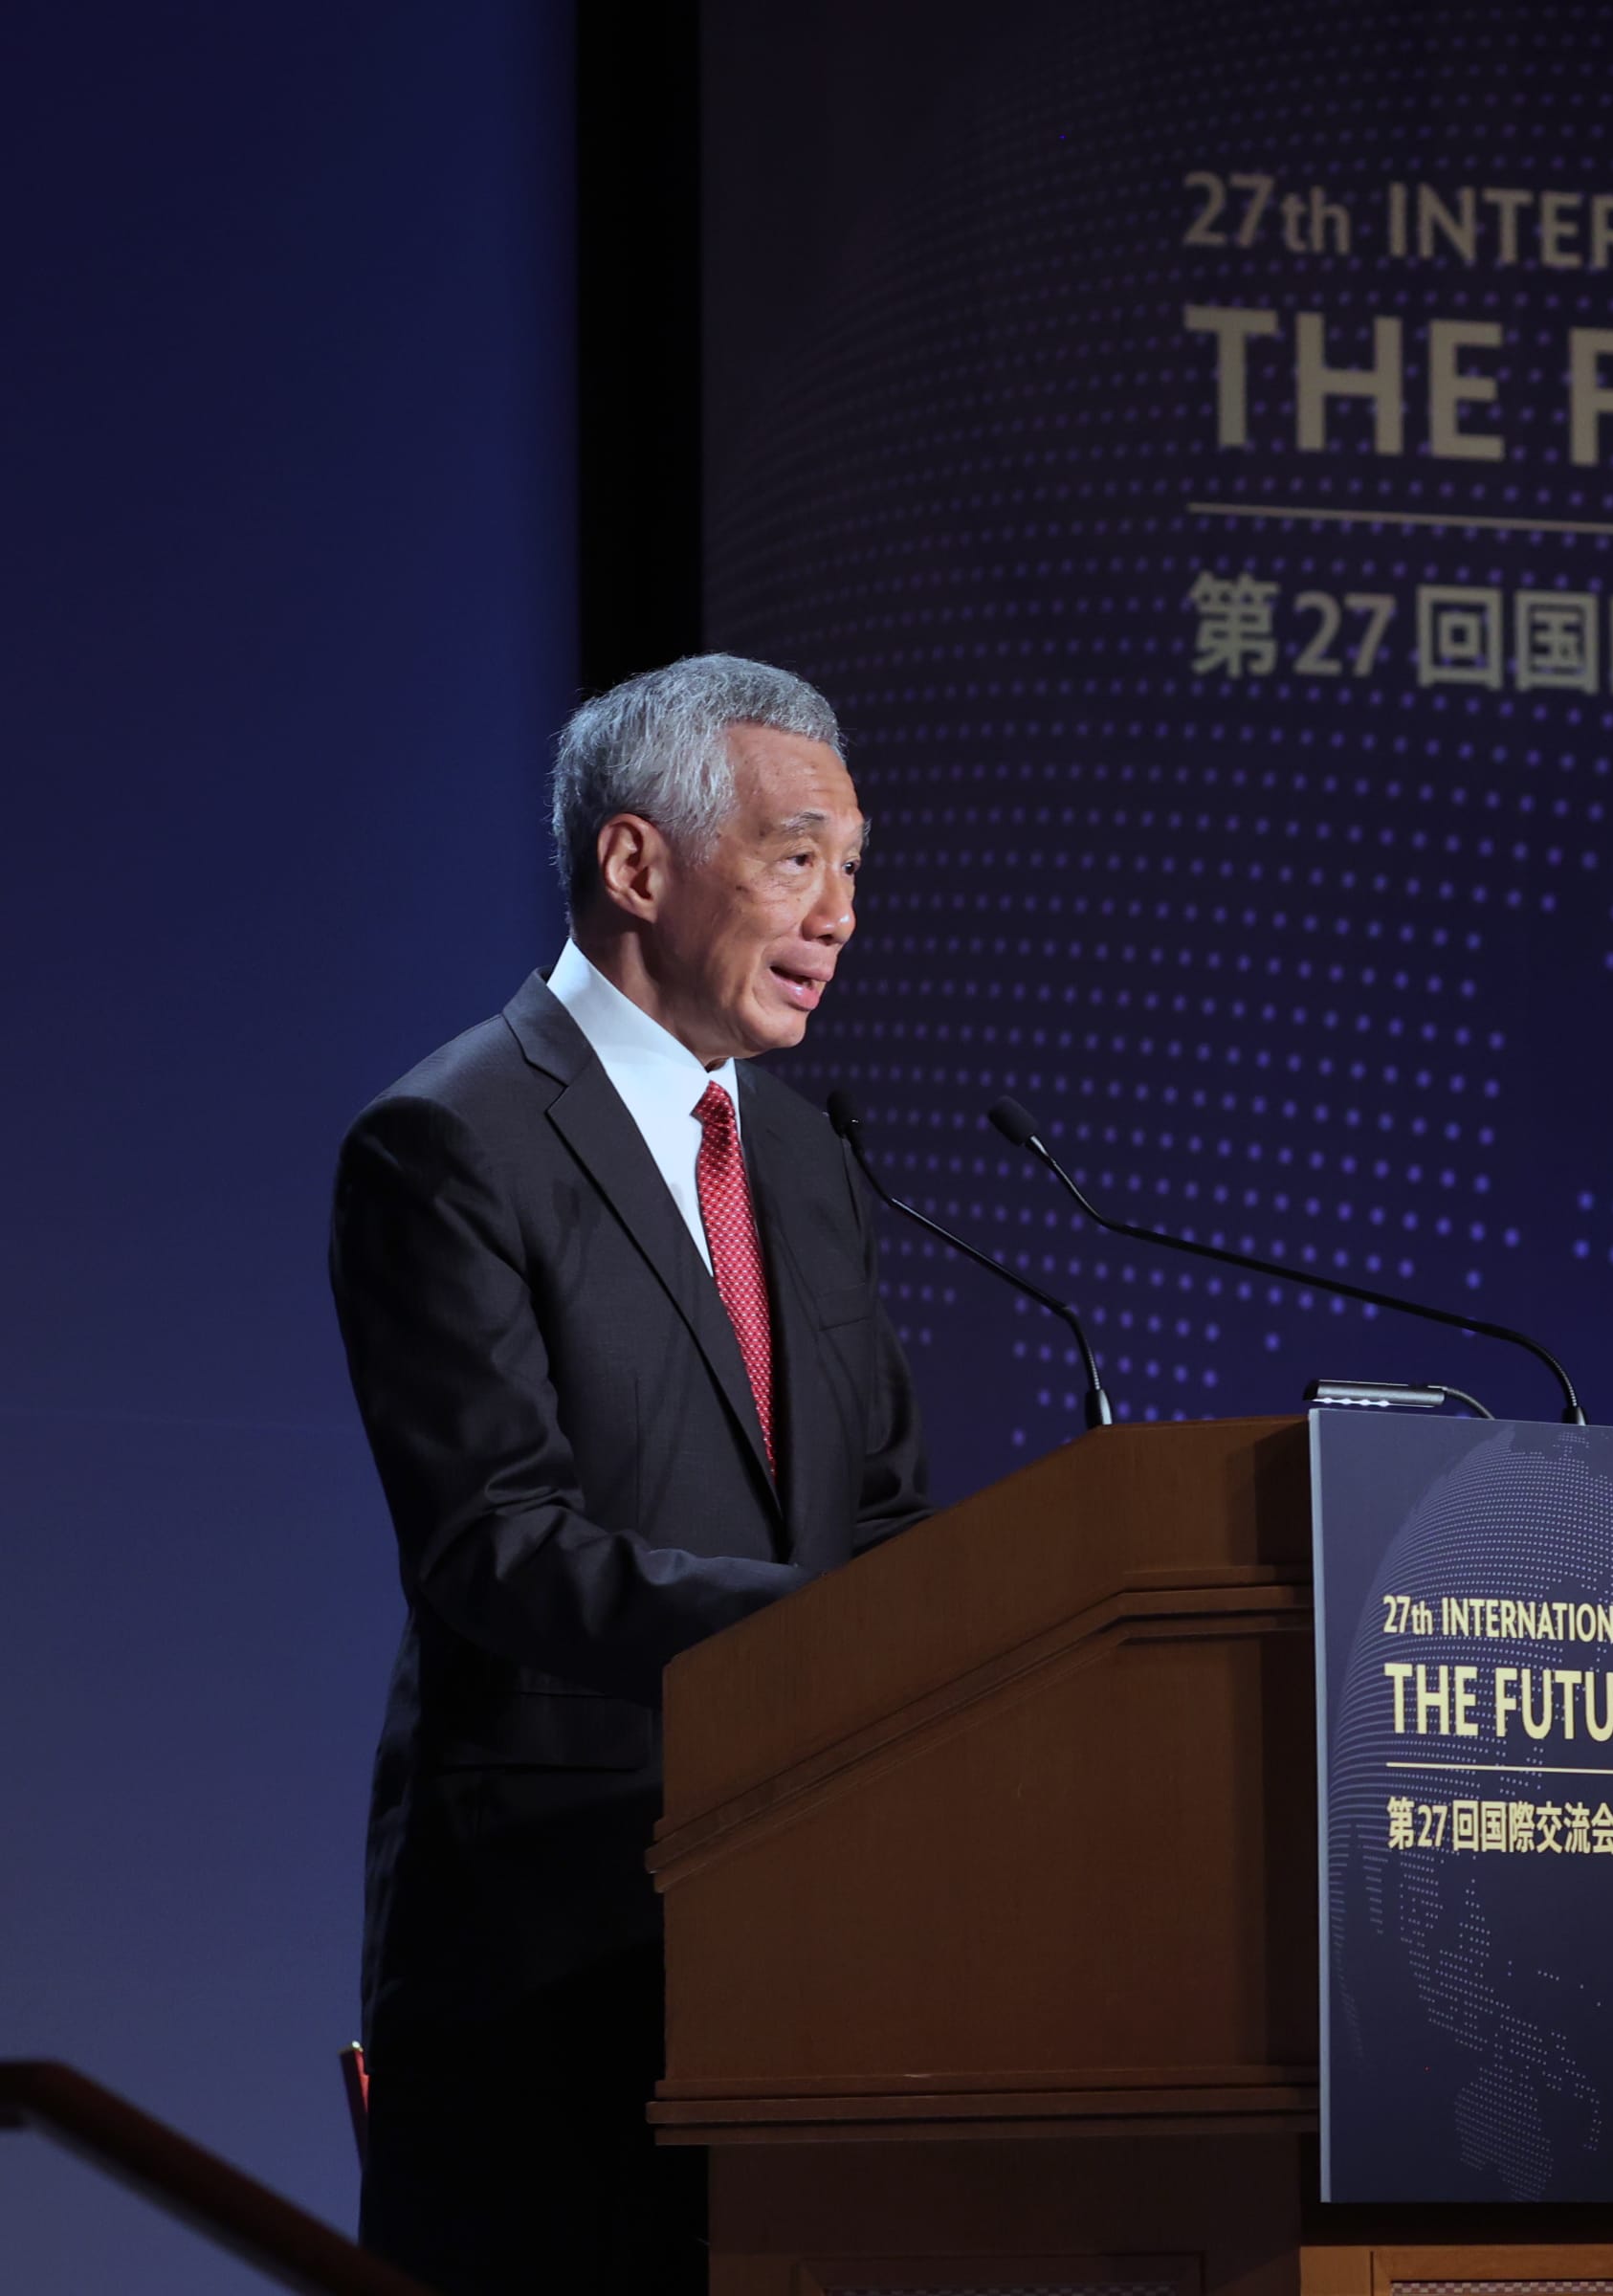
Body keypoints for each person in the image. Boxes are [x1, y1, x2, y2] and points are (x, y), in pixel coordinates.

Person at [328, 655, 931, 2295]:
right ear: (637, 865)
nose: (839, 916)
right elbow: (496, 1544)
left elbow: (880, 1509)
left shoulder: (805, 1158)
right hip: (556, 1951)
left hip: (812, 1936)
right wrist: (817, 1641)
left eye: (854, 867)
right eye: (798, 856)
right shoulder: (450, 1140)